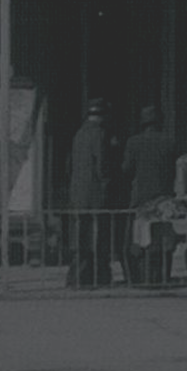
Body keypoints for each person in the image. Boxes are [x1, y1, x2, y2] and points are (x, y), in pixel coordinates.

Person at [120, 106, 178, 286]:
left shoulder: (133, 142)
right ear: (160, 121)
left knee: (142, 240)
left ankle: (144, 278)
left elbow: (126, 170)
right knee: (164, 241)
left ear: (142, 123)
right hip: (165, 199)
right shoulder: (170, 142)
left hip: (141, 200)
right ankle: (163, 277)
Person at [67, 99, 114, 288]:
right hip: (95, 195)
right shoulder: (99, 134)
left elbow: (70, 164)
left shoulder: (79, 134)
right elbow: (102, 165)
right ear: (102, 116)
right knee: (98, 238)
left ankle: (76, 278)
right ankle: (98, 277)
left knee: (80, 238)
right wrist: (108, 184)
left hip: (78, 194)